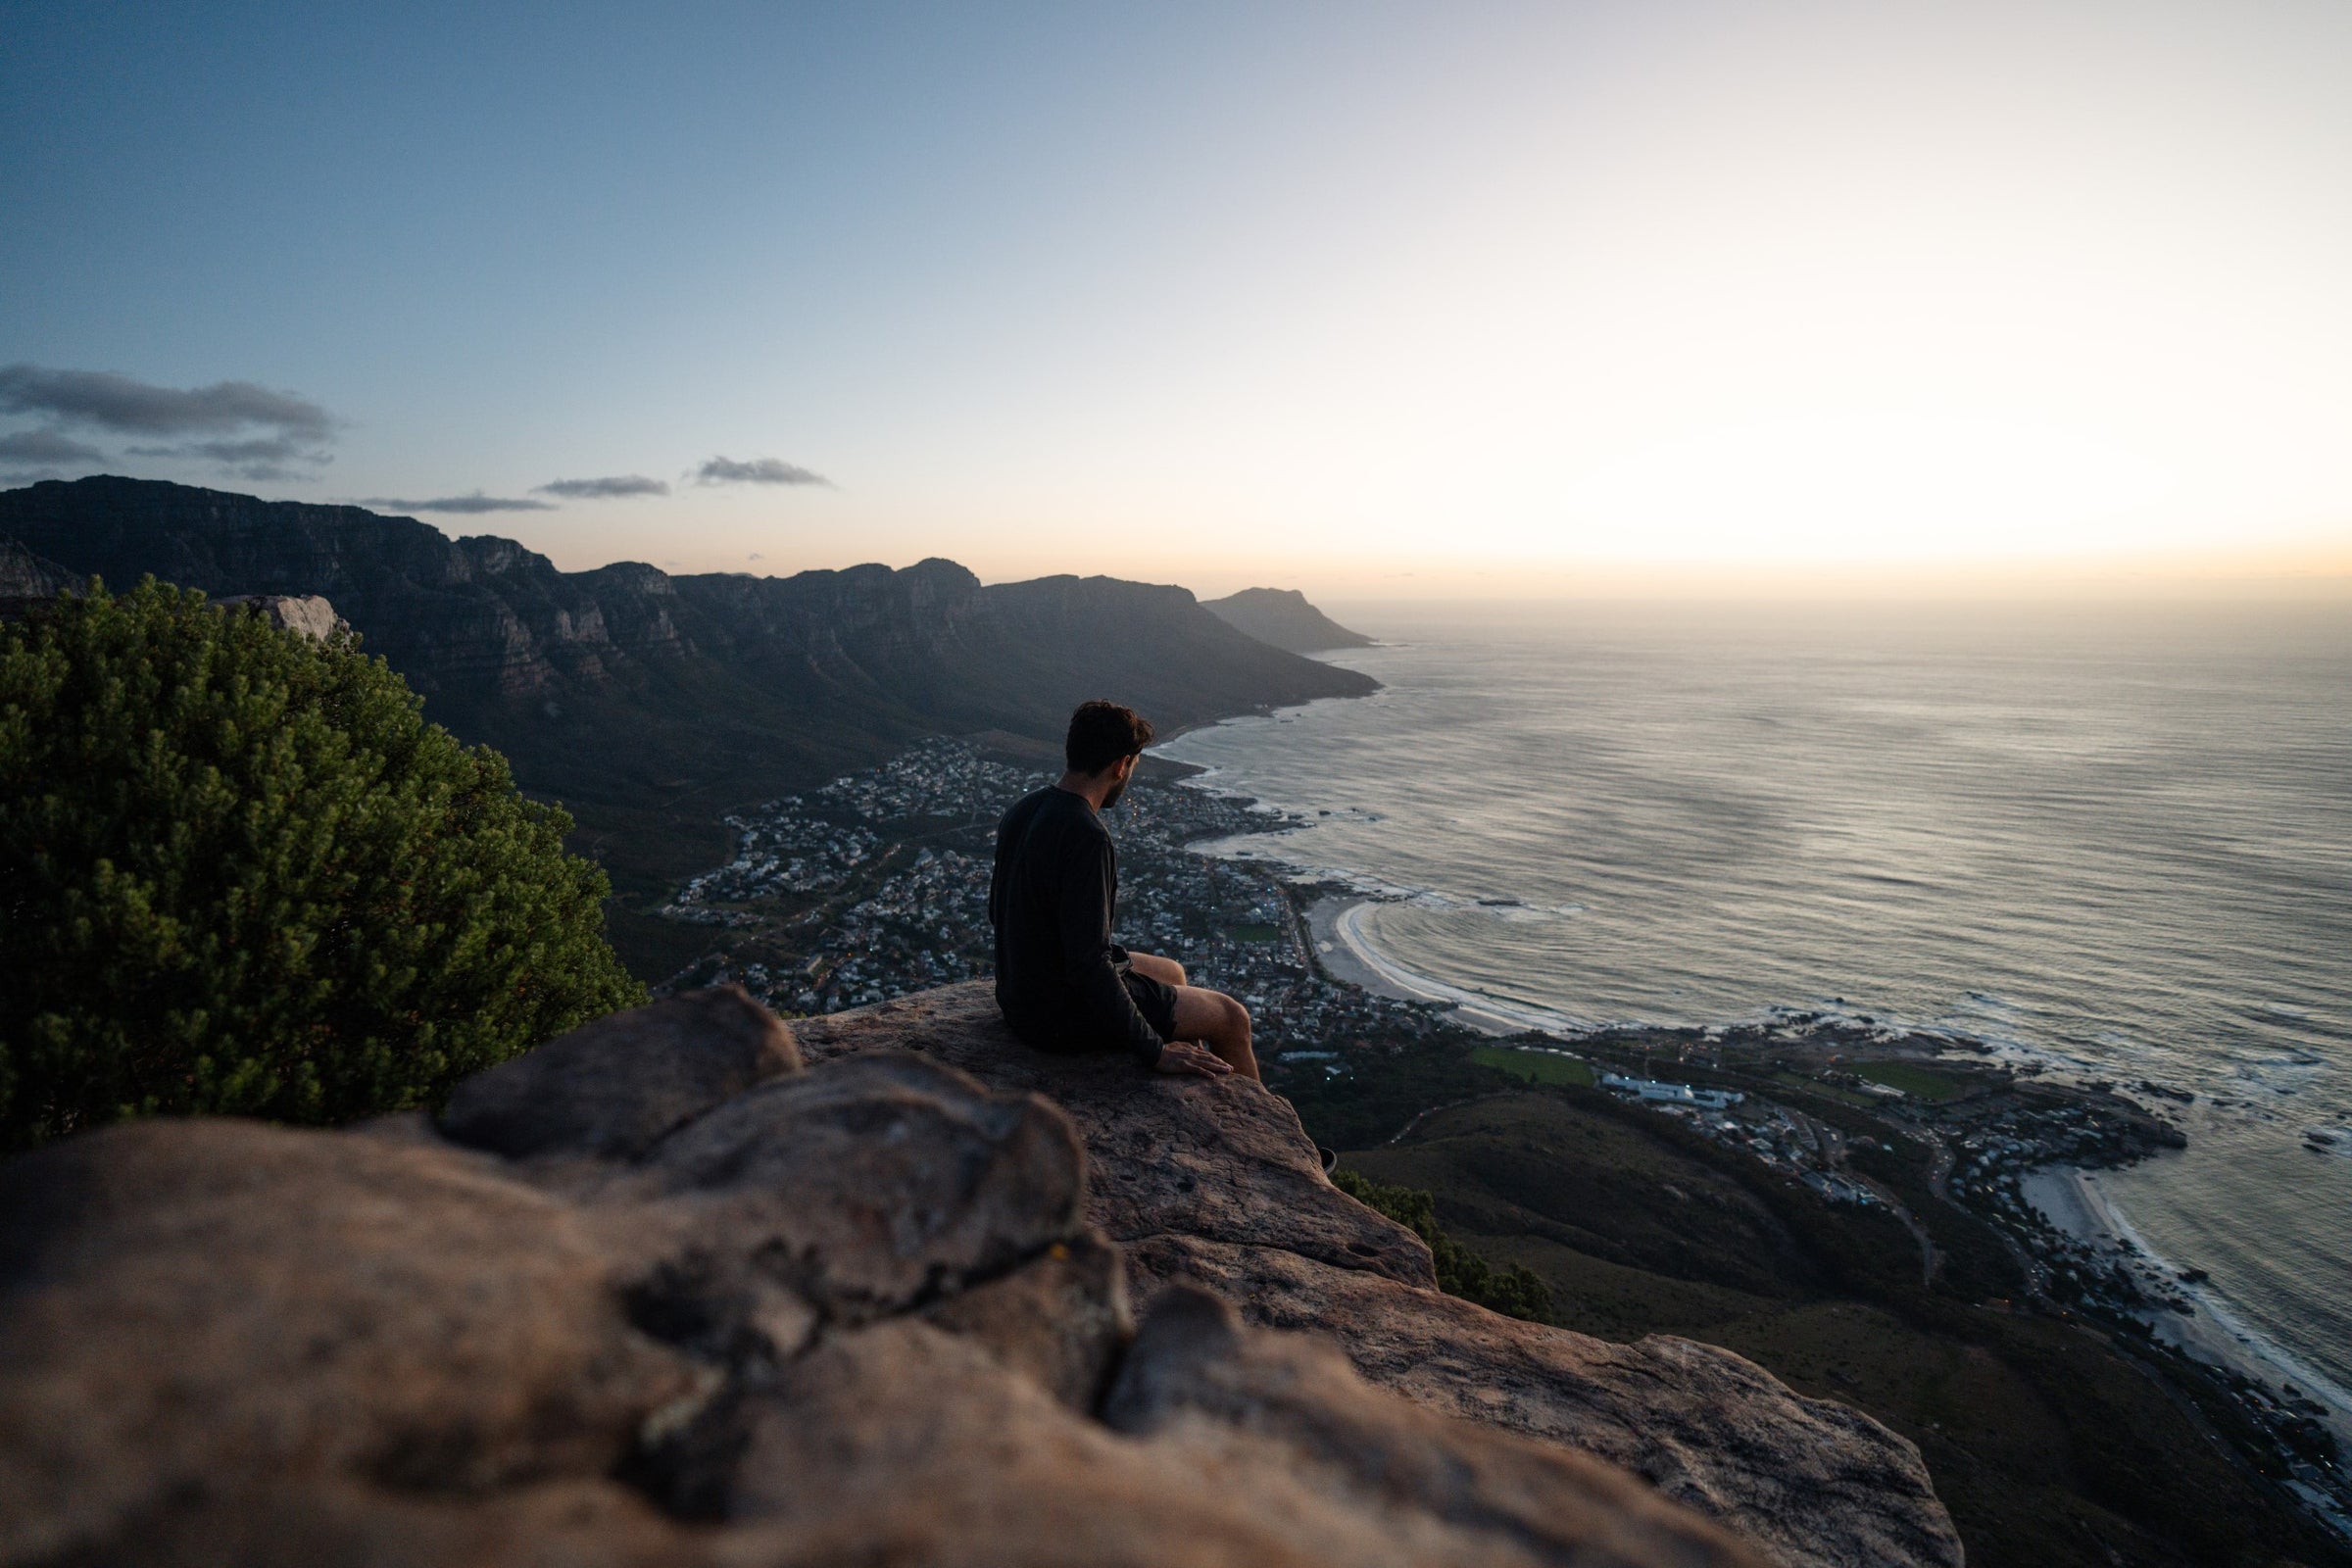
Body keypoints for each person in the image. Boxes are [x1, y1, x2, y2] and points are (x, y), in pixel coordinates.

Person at [989, 699, 1259, 1081]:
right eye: (1133, 765)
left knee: (1173, 972)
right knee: (1233, 1018)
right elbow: (1089, 967)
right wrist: (1155, 1051)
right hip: (1056, 1017)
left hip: (1021, 996)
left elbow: (997, 913)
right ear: (1120, 765)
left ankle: (1199, 1079)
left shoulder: (1023, 809)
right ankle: (1258, 1131)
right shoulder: (1087, 836)